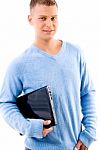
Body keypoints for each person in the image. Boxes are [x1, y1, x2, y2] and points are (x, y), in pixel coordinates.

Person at [0, 0, 97, 150]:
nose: (49, 24)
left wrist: (90, 132)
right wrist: (29, 127)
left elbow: (87, 93)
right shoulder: (19, 64)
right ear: (30, 19)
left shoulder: (75, 53)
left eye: (53, 18)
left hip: (75, 146)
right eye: (43, 18)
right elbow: (5, 103)